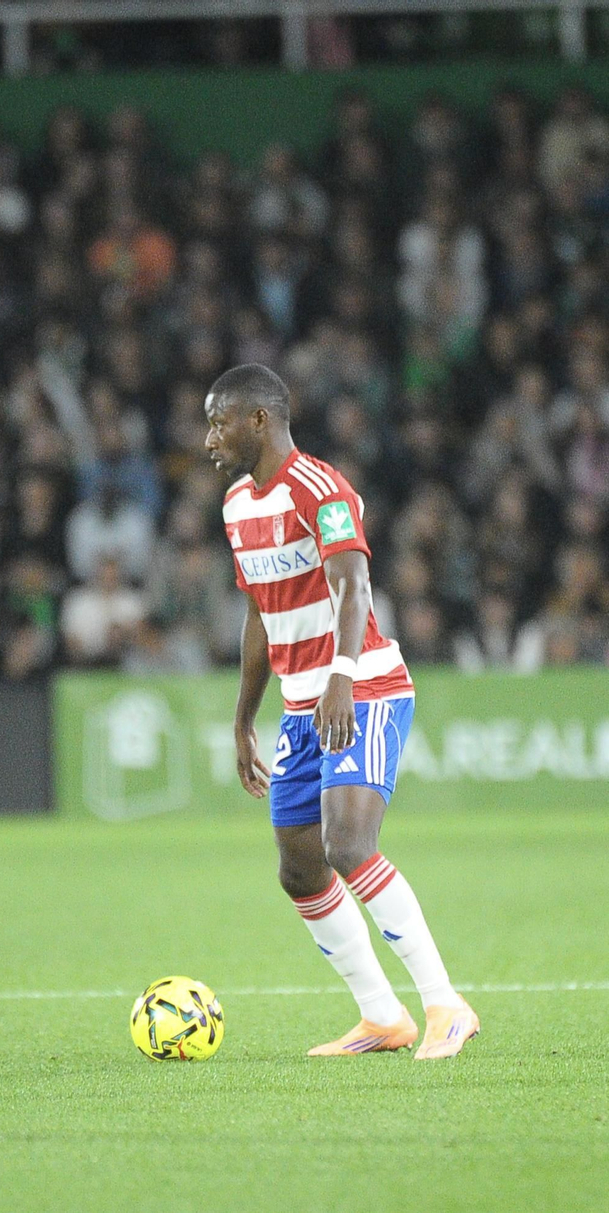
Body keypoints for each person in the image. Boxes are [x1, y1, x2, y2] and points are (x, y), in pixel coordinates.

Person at [204, 363, 477, 1060]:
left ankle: (446, 1004)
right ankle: (382, 1017)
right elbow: (260, 616)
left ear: (259, 419)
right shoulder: (236, 506)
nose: (209, 439)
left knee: (349, 844)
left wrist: (341, 678)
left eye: (219, 422)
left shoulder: (320, 489)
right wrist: (243, 718)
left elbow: (354, 585)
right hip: (302, 707)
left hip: (365, 690)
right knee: (299, 869)